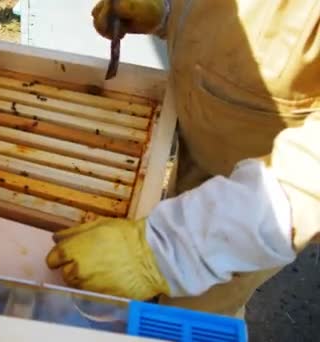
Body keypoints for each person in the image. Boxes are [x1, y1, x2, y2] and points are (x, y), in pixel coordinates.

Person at [46, 0, 320, 316]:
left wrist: (169, 251)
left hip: (264, 200)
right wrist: (169, 12)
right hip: (204, 142)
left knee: (194, 309)